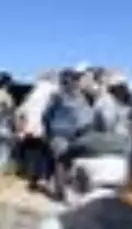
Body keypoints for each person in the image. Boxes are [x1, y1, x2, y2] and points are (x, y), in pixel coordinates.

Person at [43, 67, 96, 201]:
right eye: (73, 79)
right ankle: (60, 192)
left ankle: (65, 190)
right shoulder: (57, 96)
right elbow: (46, 116)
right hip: (60, 134)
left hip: (75, 134)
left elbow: (86, 116)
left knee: (68, 163)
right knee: (61, 161)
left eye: (75, 79)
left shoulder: (80, 97)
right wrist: (48, 131)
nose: (75, 82)